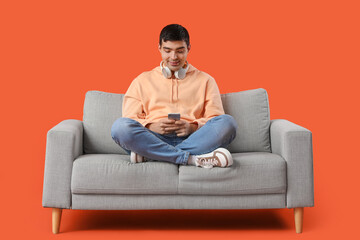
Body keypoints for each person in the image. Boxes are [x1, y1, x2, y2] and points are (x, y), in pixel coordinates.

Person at [111, 24, 238, 168]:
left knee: (228, 123)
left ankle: (152, 155)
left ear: (189, 48)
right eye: (167, 51)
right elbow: (129, 118)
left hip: (194, 138)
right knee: (119, 127)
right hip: (153, 138)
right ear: (159, 48)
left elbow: (215, 119)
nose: (173, 57)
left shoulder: (206, 80)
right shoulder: (141, 80)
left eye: (180, 51)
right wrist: (152, 126)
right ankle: (191, 159)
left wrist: (193, 127)